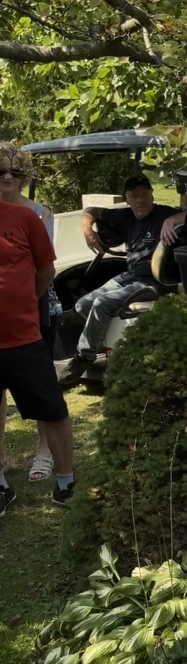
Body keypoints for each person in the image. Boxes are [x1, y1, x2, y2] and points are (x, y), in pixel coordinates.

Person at [57, 175, 187, 385]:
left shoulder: (164, 213)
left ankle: (84, 357)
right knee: (82, 304)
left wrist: (172, 221)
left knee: (102, 304)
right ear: (127, 199)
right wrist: (87, 230)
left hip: (157, 281)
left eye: (144, 195)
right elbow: (90, 211)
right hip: (131, 275)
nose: (140, 201)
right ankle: (107, 347)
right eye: (134, 196)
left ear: (151, 195)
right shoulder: (125, 216)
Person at [0, 184, 78, 513]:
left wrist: (26, 301)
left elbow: (47, 268)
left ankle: (66, 483)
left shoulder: (24, 218)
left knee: (54, 411)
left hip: (24, 338)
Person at [0, 143, 62, 482]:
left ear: (25, 177)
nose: (8, 177)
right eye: (0, 171)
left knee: (41, 386)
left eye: (16, 172)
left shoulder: (40, 213)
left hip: (38, 309)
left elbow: (44, 268)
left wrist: (27, 300)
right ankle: (1, 458)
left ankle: (44, 452)